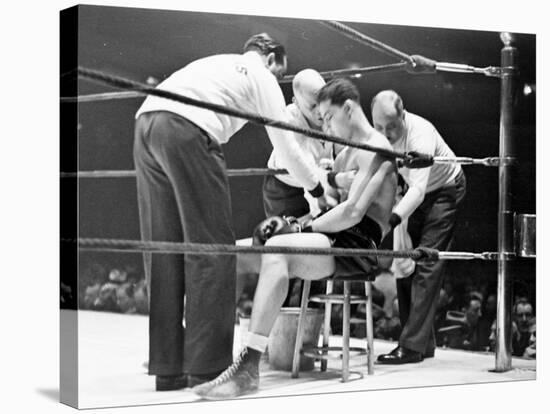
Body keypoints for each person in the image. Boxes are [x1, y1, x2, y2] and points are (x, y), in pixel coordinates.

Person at [133, 33, 333, 391]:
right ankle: (207, 368)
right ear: (271, 58)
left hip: (146, 124)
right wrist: (316, 189)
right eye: (281, 71)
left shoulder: (216, 63)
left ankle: (168, 367)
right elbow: (286, 146)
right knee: (213, 248)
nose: (281, 80)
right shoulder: (262, 76)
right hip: (187, 130)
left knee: (163, 247)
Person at [193, 77, 397, 400]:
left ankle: (249, 366)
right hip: (330, 236)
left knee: (280, 249)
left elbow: (353, 212)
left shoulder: (378, 148)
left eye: (329, 117)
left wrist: (302, 230)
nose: (326, 126)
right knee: (234, 253)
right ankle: (209, 356)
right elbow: (326, 195)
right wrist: (297, 221)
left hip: (356, 245)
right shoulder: (345, 156)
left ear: (348, 108)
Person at [372, 90, 467, 364]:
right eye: (379, 126)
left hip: (445, 189)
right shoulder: (378, 134)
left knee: (426, 261)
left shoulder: (420, 134)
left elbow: (418, 190)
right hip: (414, 195)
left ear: (403, 114)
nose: (386, 133)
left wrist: (390, 220)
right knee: (404, 260)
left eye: (391, 126)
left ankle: (411, 347)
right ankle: (422, 343)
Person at [261, 68, 355, 307]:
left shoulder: (326, 111)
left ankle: (306, 325)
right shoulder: (288, 119)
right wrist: (333, 179)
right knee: (288, 253)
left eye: (321, 103)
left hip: (320, 187)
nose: (319, 112)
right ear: (296, 102)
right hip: (286, 189)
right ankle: (278, 327)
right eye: (312, 106)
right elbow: (302, 168)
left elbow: (336, 151)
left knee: (317, 256)